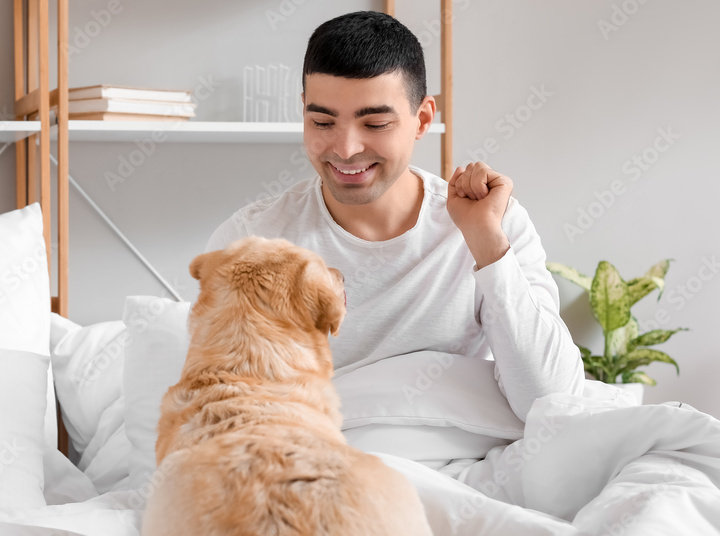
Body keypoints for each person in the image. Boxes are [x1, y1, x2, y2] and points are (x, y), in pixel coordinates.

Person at [205, 11, 584, 420]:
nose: (346, 148)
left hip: (461, 460)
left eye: (376, 123)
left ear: (422, 120)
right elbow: (221, 407)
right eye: (322, 121)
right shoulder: (251, 240)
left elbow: (550, 401)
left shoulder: (492, 224)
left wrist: (487, 243)